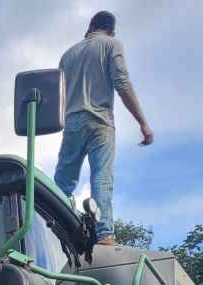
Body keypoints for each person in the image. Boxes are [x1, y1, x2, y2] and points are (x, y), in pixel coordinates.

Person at [54, 10, 152, 246]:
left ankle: (55, 227)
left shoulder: (67, 55)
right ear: (111, 31)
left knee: (63, 182)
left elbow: (58, 95)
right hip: (100, 120)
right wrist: (142, 122)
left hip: (71, 122)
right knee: (101, 176)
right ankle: (105, 234)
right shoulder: (111, 44)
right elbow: (122, 83)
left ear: (90, 27)